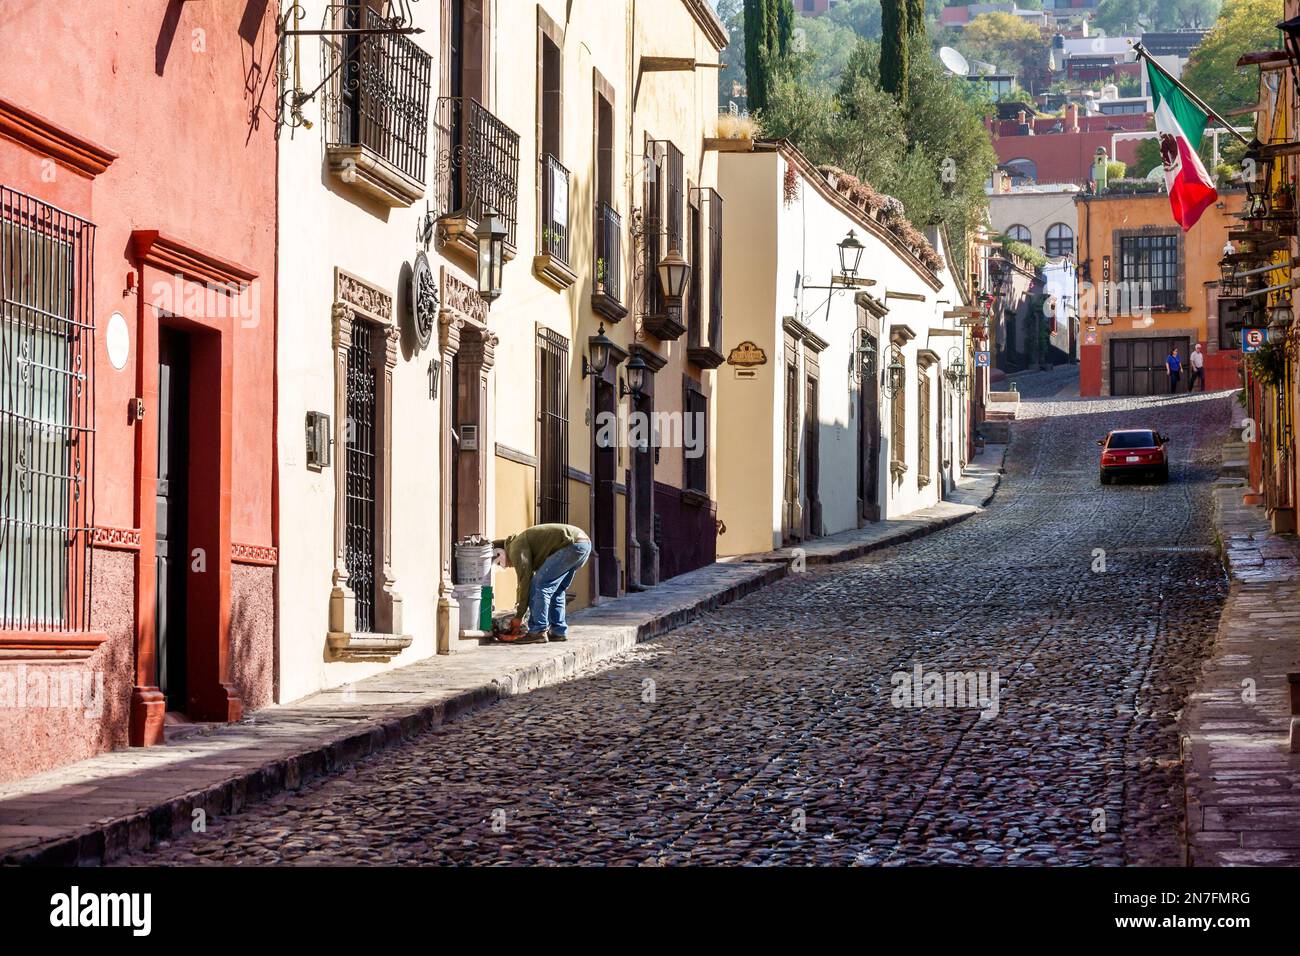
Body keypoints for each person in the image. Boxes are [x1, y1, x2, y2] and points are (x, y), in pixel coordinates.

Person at [492, 524, 592, 644]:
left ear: (499, 554)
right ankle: (558, 631)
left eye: (499, 564)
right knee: (557, 590)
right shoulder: (519, 543)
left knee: (539, 585)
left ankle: (537, 631)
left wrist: (519, 616)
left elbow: (525, 582)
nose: (505, 566)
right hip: (583, 545)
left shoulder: (515, 548)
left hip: (572, 545)